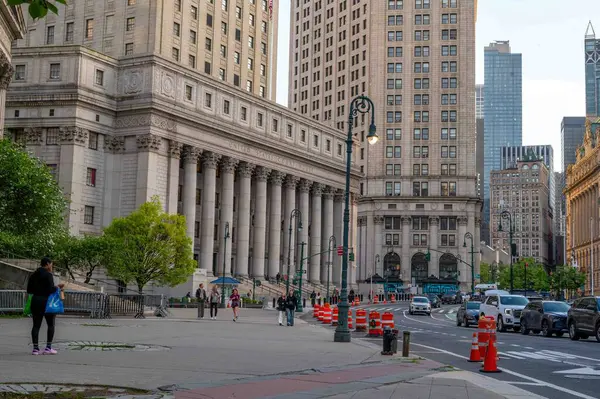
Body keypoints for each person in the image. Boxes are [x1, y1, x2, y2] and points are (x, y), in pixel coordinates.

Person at [26, 257, 64, 355]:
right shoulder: (48, 275)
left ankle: (35, 349)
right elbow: (50, 290)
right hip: (47, 302)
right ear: (47, 264)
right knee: (50, 324)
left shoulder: (33, 275)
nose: (52, 266)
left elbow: (29, 290)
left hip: (35, 301)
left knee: (36, 325)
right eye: (51, 264)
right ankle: (48, 348)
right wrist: (57, 287)